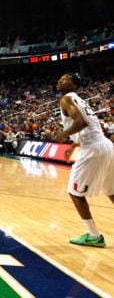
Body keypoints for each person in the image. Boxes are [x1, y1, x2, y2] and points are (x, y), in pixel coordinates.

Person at [54, 73, 114, 247]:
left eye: (65, 78)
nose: (60, 80)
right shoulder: (78, 99)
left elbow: (81, 122)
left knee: (75, 192)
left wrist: (62, 135)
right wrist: (74, 145)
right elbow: (89, 125)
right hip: (105, 145)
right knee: (111, 190)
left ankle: (94, 235)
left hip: (93, 148)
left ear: (74, 85)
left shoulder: (66, 98)